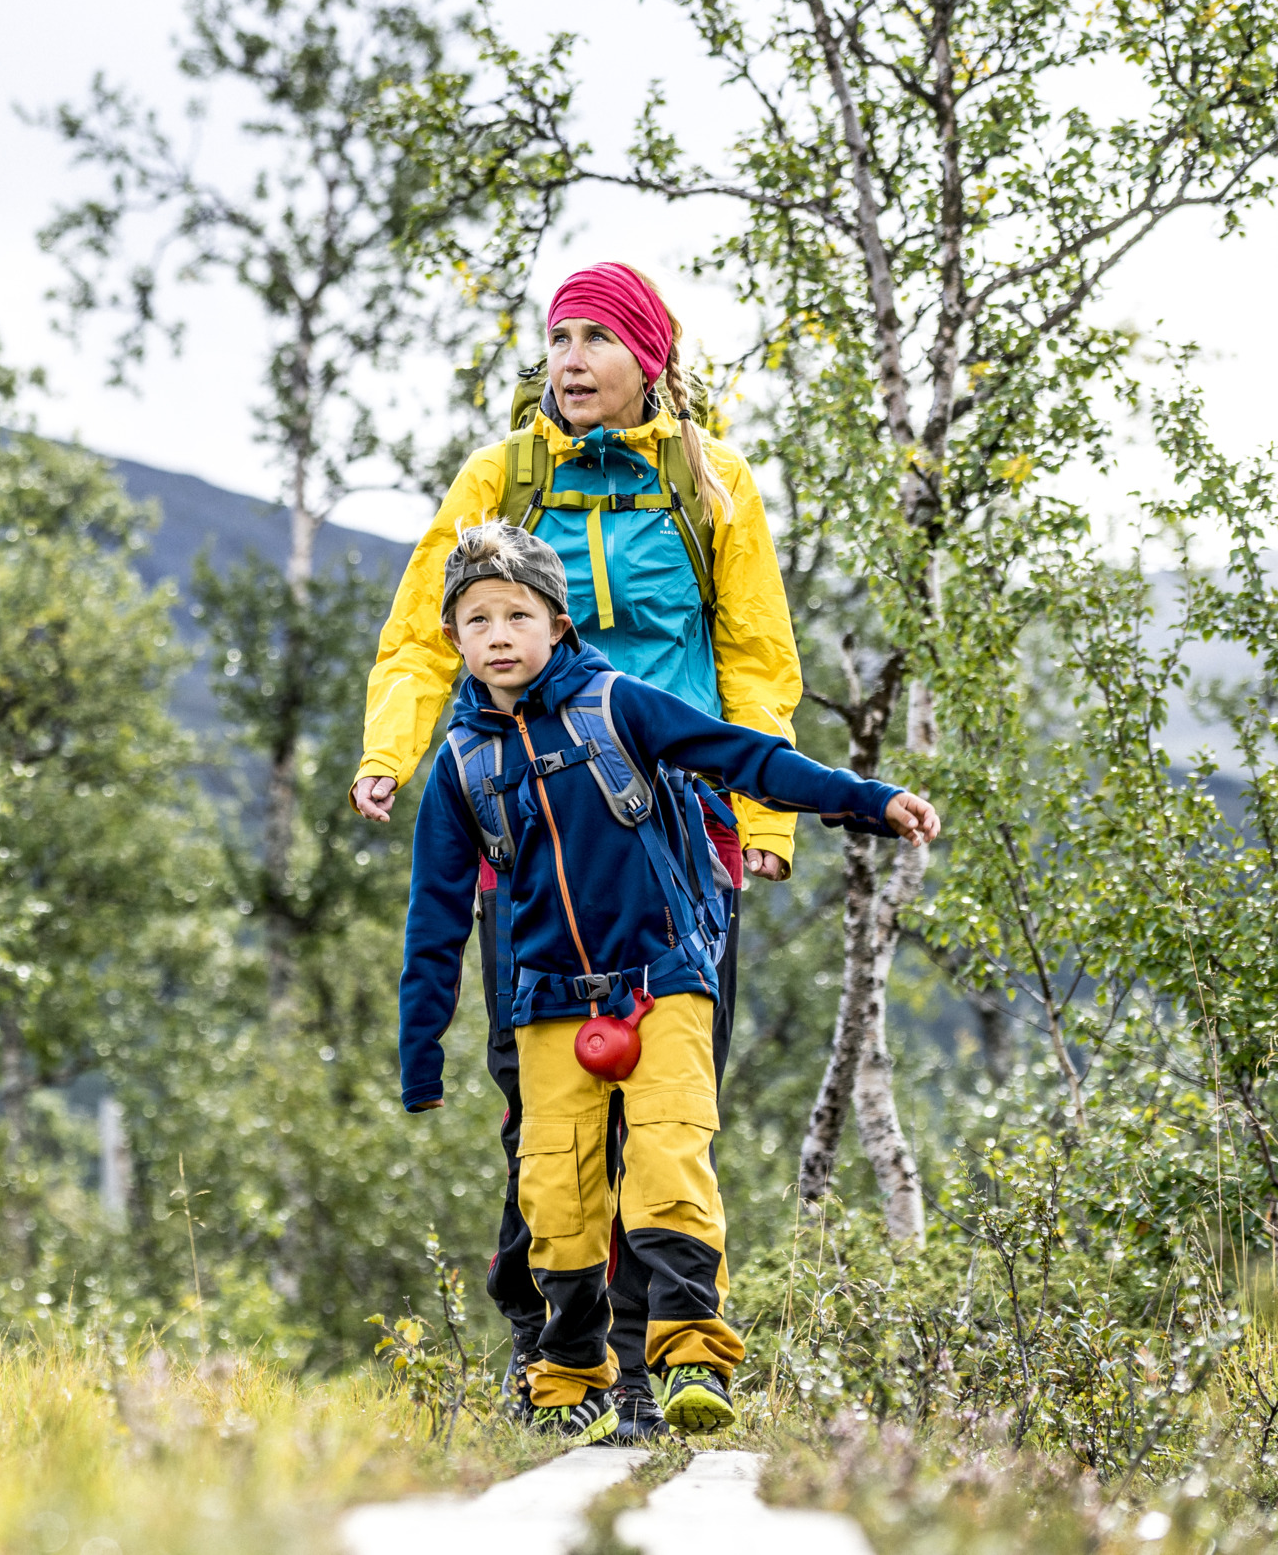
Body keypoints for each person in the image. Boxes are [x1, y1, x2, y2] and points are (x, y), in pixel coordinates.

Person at [351, 263, 803, 1439]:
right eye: (557, 336)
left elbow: (752, 656)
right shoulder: (498, 479)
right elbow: (418, 638)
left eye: (596, 336)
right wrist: (393, 756)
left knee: (665, 1099)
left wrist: (762, 820)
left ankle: (663, 1360)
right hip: (529, 831)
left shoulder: (707, 483)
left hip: (680, 834)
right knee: (537, 1106)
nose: (569, 357)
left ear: (645, 354)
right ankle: (550, 1350)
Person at [401, 523, 938, 1442]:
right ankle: (570, 1375)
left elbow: (748, 757)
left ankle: (692, 1356)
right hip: (545, 1004)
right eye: (476, 618)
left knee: (667, 1165)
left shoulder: (621, 705)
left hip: (663, 983)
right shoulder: (460, 766)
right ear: (453, 636)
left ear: (557, 622)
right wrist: (421, 1054)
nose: (497, 634)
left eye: (517, 614)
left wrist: (868, 800)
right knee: (558, 1203)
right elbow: (436, 919)